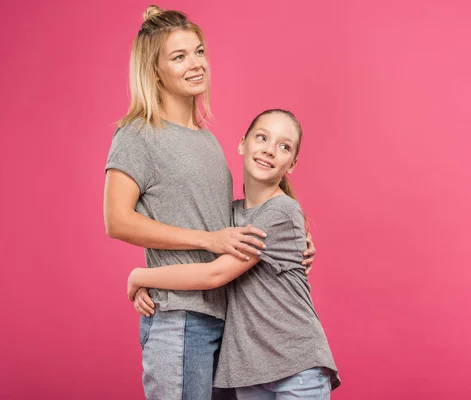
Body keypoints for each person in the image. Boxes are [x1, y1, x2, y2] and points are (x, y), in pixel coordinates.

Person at [104, 6, 316, 399]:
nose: (196, 64)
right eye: (179, 57)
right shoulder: (137, 134)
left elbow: (226, 217)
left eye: (199, 52)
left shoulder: (206, 139)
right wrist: (207, 241)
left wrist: (289, 236)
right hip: (180, 317)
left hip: (226, 321)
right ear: (155, 71)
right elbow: (117, 220)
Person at [128, 109, 340, 399]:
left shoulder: (281, 210)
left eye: (284, 146)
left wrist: (141, 276)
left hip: (296, 366)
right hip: (249, 372)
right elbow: (196, 255)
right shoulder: (228, 216)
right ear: (243, 143)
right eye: (262, 137)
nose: (269, 150)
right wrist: (154, 285)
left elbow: (214, 273)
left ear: (292, 164)